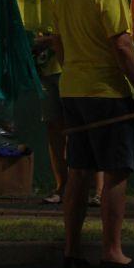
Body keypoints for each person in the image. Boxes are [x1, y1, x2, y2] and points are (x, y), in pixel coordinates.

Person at [51, 0, 134, 268]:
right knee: (115, 173)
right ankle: (112, 252)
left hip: (73, 92)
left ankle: (71, 250)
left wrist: (74, 72)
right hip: (107, 94)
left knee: (78, 172)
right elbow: (123, 46)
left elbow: (59, 44)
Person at [35, 34, 104, 207]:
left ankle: (99, 190)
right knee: (54, 128)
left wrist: (52, 40)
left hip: (75, 68)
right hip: (44, 70)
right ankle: (63, 187)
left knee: (87, 127)